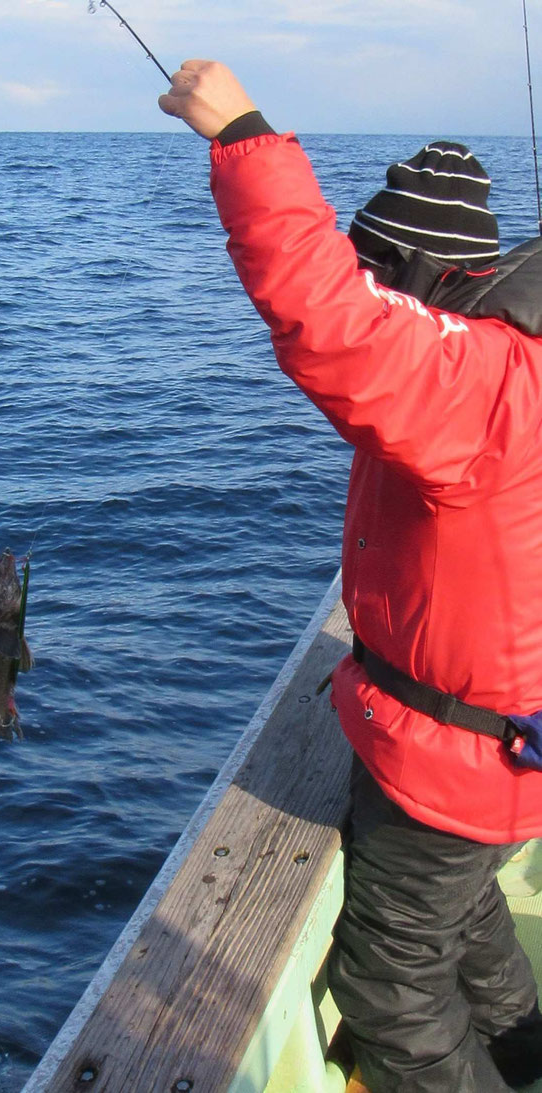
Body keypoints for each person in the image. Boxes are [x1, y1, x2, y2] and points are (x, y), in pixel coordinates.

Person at [158, 61, 542, 1092]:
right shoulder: (515, 370)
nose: (372, 289)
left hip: (456, 764)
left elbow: (329, 319)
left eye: (381, 272)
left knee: (389, 990)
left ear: (422, 280)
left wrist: (239, 134)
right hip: (495, 749)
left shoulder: (477, 382)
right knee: (460, 923)